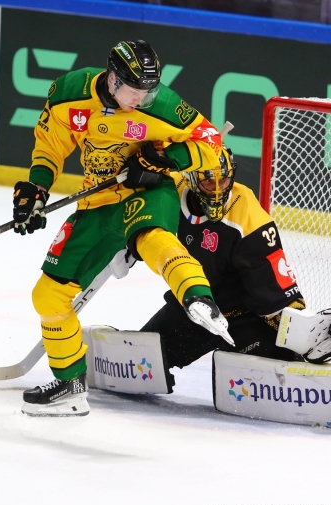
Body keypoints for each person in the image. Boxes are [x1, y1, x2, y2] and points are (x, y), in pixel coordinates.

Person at [12, 40, 234, 416]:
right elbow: (50, 144)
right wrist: (36, 188)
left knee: (152, 238)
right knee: (48, 296)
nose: (144, 98)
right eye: (136, 91)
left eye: (149, 91)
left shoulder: (162, 105)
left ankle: (197, 297)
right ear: (113, 80)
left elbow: (212, 144)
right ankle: (69, 385)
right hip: (96, 202)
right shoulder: (69, 94)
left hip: (146, 192)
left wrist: (164, 158)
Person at [131, 145, 331, 434]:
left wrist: (298, 332)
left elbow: (273, 286)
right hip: (194, 310)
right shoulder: (170, 193)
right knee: (135, 361)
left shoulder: (248, 216)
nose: (218, 188)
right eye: (209, 180)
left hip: (243, 320)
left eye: (224, 179)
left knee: (290, 373)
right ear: (192, 179)